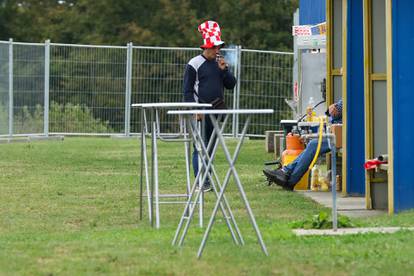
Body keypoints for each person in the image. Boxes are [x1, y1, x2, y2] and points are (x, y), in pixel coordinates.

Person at [183, 20, 237, 192]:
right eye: (214, 47)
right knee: (200, 147)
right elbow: (187, 91)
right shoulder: (194, 64)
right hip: (200, 113)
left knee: (211, 149)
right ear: (206, 47)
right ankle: (202, 182)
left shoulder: (219, 64)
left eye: (218, 47)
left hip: (216, 111)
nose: (218, 50)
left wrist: (225, 71)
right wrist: (195, 109)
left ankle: (206, 179)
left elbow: (231, 85)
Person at [263, 99, 343, 190]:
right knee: (312, 144)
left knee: (313, 145)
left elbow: (341, 109)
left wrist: (337, 107)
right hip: (339, 132)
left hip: (345, 136)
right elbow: (335, 112)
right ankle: (285, 172)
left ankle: (290, 180)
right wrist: (334, 108)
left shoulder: (354, 97)